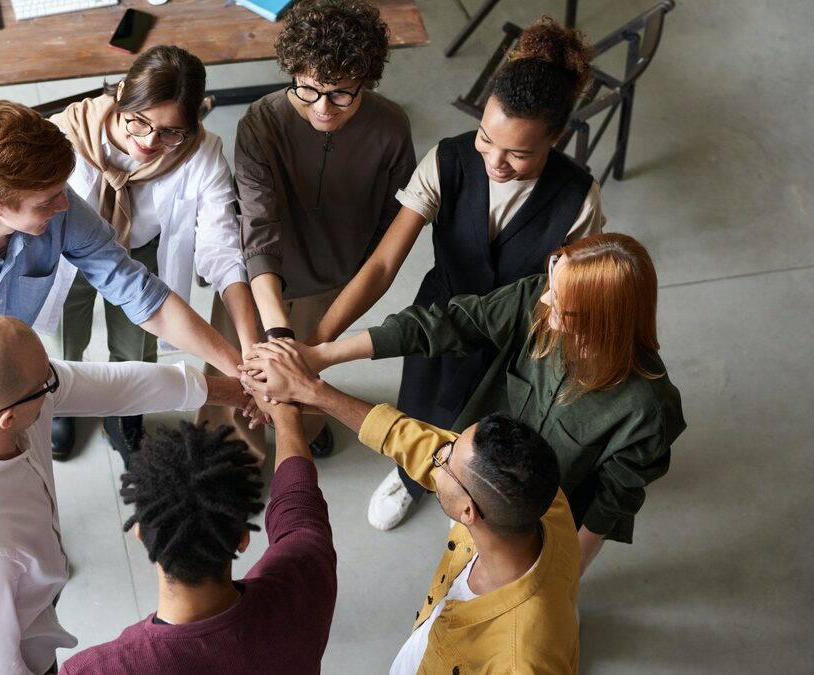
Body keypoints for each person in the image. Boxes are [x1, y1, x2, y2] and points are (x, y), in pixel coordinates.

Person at [0, 100, 249, 616]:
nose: (64, 205)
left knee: (4, 483)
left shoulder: (56, 208)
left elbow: (138, 291)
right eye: (47, 200)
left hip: (9, 386)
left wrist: (237, 366)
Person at [306, 16, 606, 530]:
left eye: (519, 152)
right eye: (487, 139)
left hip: (517, 335)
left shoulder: (579, 198)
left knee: (493, 428)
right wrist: (317, 347)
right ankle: (410, 475)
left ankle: (471, 487)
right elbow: (381, 265)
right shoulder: (447, 160)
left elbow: (572, 295)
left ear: (556, 139)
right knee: (423, 404)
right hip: (438, 317)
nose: (495, 161)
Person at [246, 233, 686, 573]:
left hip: (540, 519)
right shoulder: (539, 298)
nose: (546, 298)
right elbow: (446, 324)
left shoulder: (648, 410)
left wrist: (563, 574)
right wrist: (321, 355)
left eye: (564, 307)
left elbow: (611, 504)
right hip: (472, 468)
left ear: (604, 322)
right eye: (553, 278)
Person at [0, 315, 247, 674]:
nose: (55, 381)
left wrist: (235, 391)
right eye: (46, 382)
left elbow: (112, 386)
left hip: (18, 586)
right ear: (8, 417)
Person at [240, 339, 580, 673]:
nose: (437, 453)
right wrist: (313, 393)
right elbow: (414, 440)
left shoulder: (521, 660)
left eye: (445, 461)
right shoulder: (541, 501)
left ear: (468, 512)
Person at [212, 0, 416, 460]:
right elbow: (258, 229)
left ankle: (308, 423)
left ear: (367, 79)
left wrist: (305, 340)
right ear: (293, 72)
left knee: (308, 374)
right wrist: (279, 336)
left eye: (342, 94)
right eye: (308, 90)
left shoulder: (391, 129)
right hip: (257, 277)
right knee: (238, 370)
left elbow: (389, 227)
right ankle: (234, 454)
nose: (323, 108)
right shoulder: (260, 124)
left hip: (329, 280)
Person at [35, 45, 259, 462]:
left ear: (192, 124)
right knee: (67, 332)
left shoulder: (201, 153)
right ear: (121, 94)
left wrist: (249, 348)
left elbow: (221, 246)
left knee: (137, 346)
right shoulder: (66, 132)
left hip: (143, 252)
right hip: (70, 252)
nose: (150, 142)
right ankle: (63, 395)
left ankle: (125, 409)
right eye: (139, 122)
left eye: (171, 131)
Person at [61, 405, 336, 673]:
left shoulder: (92, 669)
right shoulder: (307, 575)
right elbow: (299, 505)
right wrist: (286, 416)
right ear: (243, 538)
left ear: (142, 534)